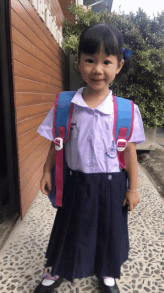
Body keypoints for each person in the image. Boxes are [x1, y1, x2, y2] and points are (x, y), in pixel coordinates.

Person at [34, 23, 145, 293]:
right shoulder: (65, 105)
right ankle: (57, 267)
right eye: (90, 60)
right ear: (78, 63)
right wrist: (47, 171)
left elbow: (130, 152)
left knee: (109, 230)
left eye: (106, 61)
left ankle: (107, 273)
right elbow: (56, 142)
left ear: (118, 66)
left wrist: (133, 189)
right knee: (69, 227)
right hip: (75, 181)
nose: (98, 69)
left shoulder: (127, 110)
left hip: (112, 184)